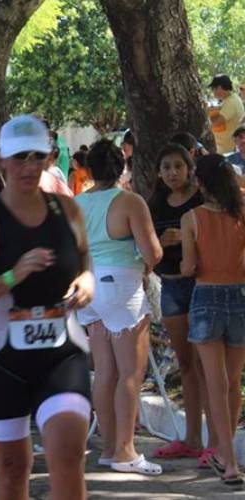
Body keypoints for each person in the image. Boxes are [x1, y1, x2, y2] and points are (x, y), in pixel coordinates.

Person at [0, 114, 94, 500]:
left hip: (62, 353)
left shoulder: (68, 210)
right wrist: (12, 276)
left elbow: (83, 256)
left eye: (37, 156)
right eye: (20, 157)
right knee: (13, 470)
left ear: (49, 157)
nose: (29, 166)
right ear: (2, 160)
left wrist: (87, 280)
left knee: (67, 455)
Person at [75, 140, 163, 475]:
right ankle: (125, 450)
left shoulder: (77, 203)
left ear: (89, 168)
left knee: (105, 372)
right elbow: (152, 252)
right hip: (121, 285)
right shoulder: (129, 201)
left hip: (89, 285)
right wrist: (145, 265)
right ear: (121, 166)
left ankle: (110, 446)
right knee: (130, 372)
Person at [147, 144, 213, 464]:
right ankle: (192, 439)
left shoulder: (202, 201)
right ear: (159, 173)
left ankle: (216, 441)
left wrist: (187, 239)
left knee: (207, 366)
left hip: (200, 285)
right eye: (166, 167)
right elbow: (145, 249)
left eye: (178, 166)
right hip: (171, 287)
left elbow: (216, 242)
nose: (172, 172)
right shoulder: (155, 205)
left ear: (189, 168)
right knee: (186, 364)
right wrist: (162, 242)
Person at [181, 154, 245, 487]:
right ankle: (224, 454)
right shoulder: (241, 212)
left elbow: (188, 268)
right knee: (233, 383)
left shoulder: (192, 218)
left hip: (206, 297)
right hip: (240, 297)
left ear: (201, 183)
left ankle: (229, 461)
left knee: (216, 383)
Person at [209, 75, 245, 154]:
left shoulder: (231, 102)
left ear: (219, 88)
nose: (213, 92)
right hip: (226, 149)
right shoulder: (231, 99)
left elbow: (215, 122)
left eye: (213, 89)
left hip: (228, 151)